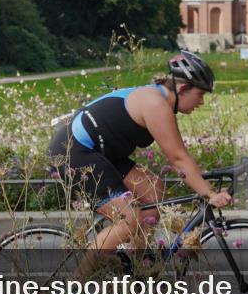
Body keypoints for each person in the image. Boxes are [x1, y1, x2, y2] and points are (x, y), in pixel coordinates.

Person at [48, 51, 231, 278]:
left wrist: (204, 186)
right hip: (74, 153)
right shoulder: (156, 104)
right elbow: (178, 158)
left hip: (102, 153)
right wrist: (209, 193)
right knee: (129, 220)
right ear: (183, 89)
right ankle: (79, 283)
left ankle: (138, 265)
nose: (202, 102)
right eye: (200, 94)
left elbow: (179, 158)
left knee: (154, 189)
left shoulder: (158, 98)